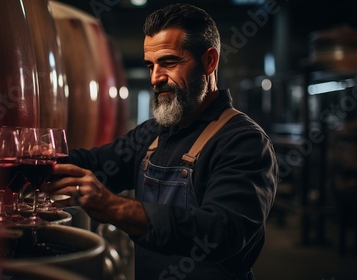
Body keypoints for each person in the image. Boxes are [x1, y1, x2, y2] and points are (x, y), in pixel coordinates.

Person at [49, 3, 278, 279]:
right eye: (151, 65)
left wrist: (116, 208)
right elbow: (97, 163)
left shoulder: (243, 141)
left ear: (209, 61)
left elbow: (222, 232)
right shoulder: (154, 133)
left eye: (169, 62)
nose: (156, 77)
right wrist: (39, 158)